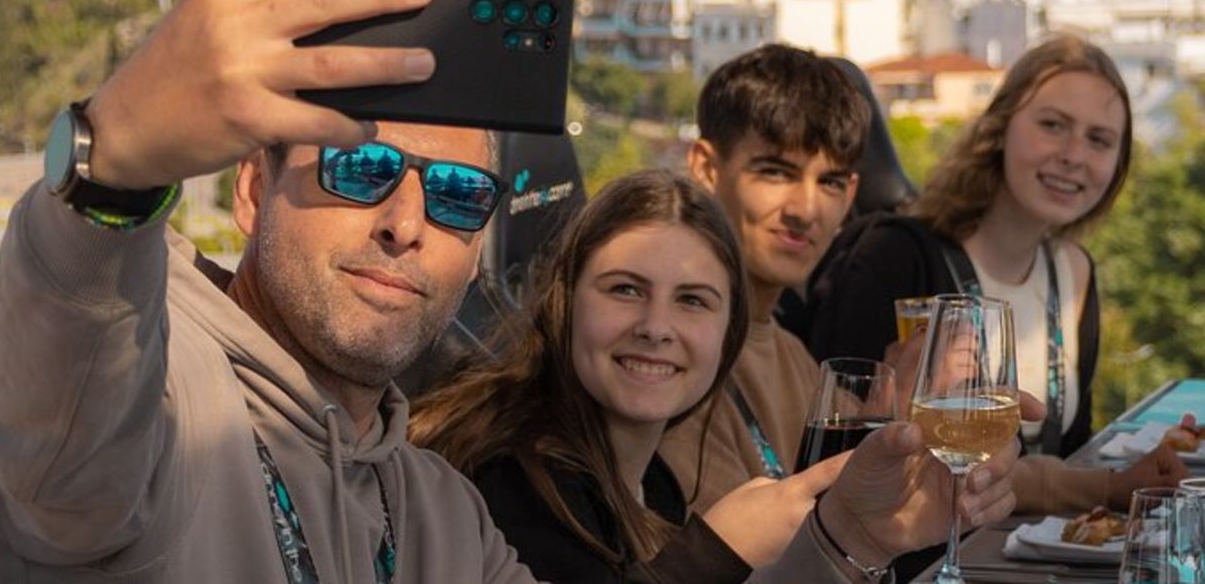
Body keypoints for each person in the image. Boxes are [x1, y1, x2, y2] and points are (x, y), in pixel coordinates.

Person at [0, 0, 1020, 583]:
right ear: (250, 188)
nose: (407, 221)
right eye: (362, 169)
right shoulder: (156, 406)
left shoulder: (429, 509)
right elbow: (70, 392)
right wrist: (113, 165)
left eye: (459, 195)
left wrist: (841, 543)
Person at [411, 168, 1026, 583]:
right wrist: (714, 554)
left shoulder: (652, 481)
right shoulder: (507, 483)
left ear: (730, 334)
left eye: (692, 301)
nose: (656, 327)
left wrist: (881, 537)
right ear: (564, 304)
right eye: (625, 290)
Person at [800, 33, 1188, 513]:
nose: (1074, 155)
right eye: (1052, 125)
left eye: (1099, 140)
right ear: (1000, 128)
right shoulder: (895, 256)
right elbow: (830, 456)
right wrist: (1102, 486)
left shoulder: (1074, 271)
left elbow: (1072, 450)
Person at [656, 44, 876, 510]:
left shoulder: (793, 356)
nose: (805, 210)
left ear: (850, 193)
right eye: (776, 173)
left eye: (830, 182)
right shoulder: (666, 352)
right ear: (706, 168)